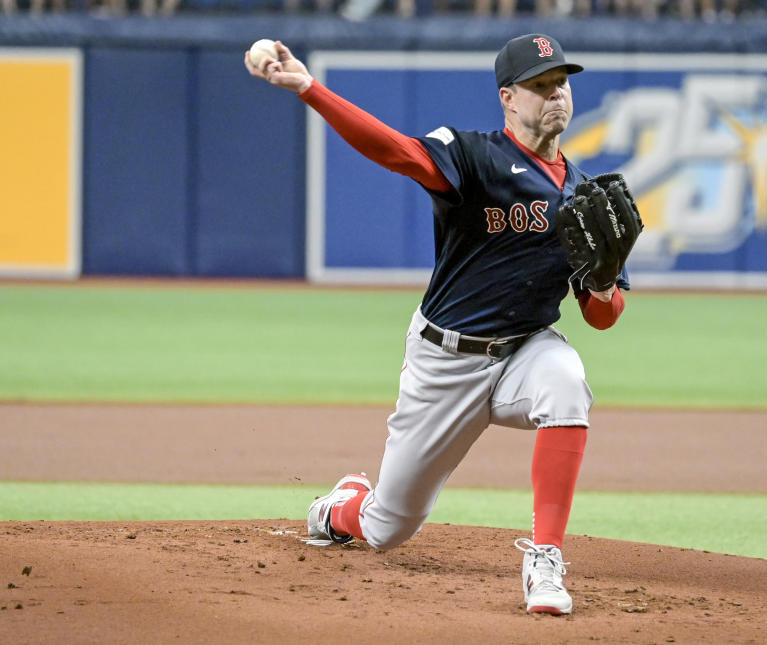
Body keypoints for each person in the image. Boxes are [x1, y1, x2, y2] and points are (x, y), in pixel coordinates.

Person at [245, 33, 632, 616]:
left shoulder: (583, 196)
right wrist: (309, 88)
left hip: (523, 353)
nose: (555, 95)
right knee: (387, 527)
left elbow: (600, 319)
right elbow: (397, 152)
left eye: (562, 83)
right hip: (444, 361)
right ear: (508, 97)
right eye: (540, 85)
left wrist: (604, 282)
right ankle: (342, 505)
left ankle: (545, 561)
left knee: (567, 383)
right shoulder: (472, 154)